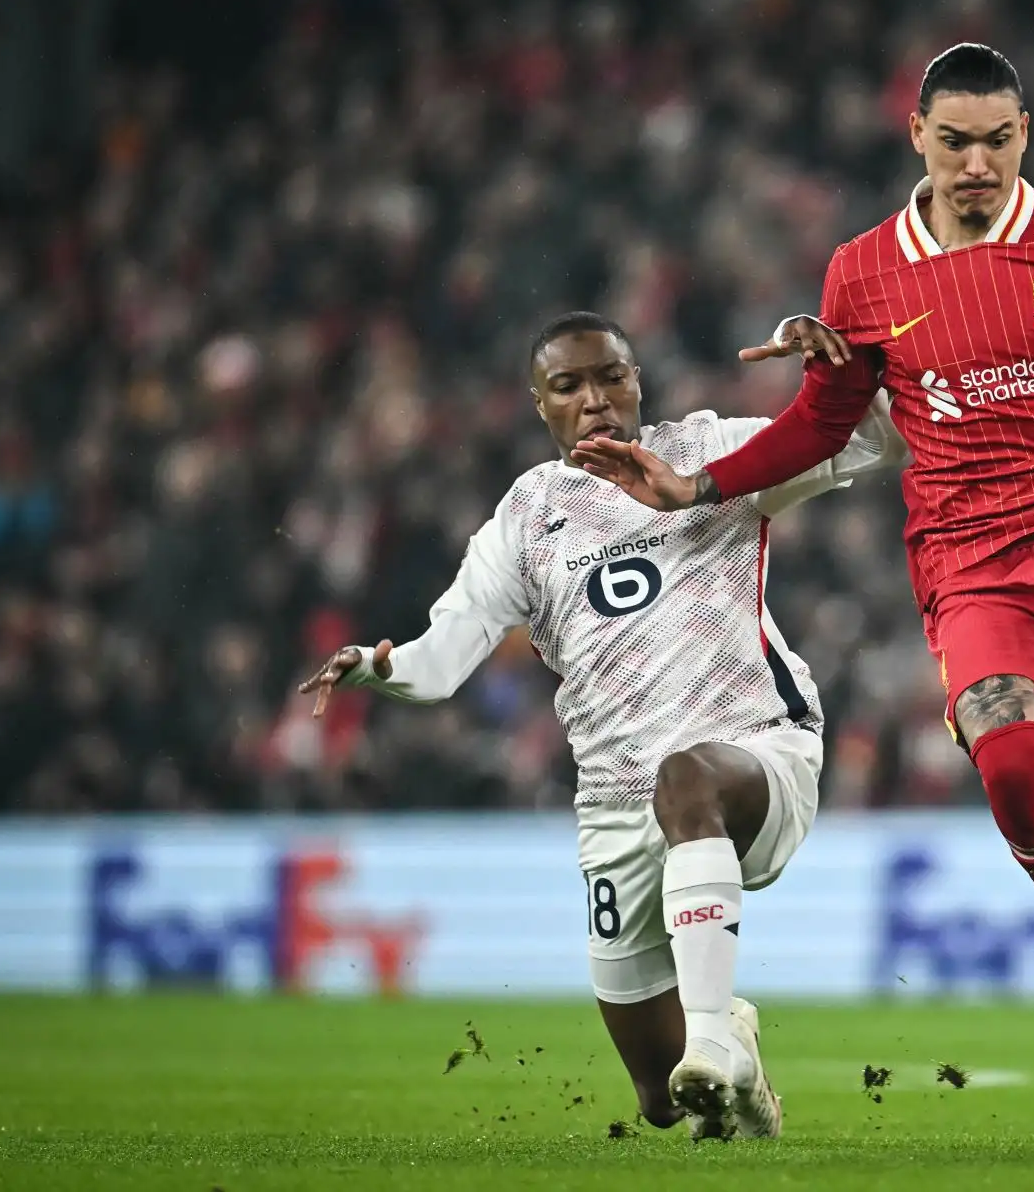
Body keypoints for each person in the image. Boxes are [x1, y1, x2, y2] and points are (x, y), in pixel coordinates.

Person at [575, 42, 1034, 1112]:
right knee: (1007, 769)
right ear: (918, 138)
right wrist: (696, 485)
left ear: (1024, 137)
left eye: (998, 141)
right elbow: (824, 422)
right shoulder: (862, 272)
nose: (977, 164)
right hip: (975, 564)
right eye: (955, 142)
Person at [299, 311, 904, 1139]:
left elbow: (874, 442)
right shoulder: (529, 516)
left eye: (611, 376)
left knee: (686, 779)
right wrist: (379, 668)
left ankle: (717, 1034)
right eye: (568, 386)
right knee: (663, 1103)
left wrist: (843, 369)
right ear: (539, 405)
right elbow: (441, 661)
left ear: (638, 380)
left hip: (756, 750)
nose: (594, 399)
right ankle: (735, 1056)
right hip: (617, 806)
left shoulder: (704, 452)